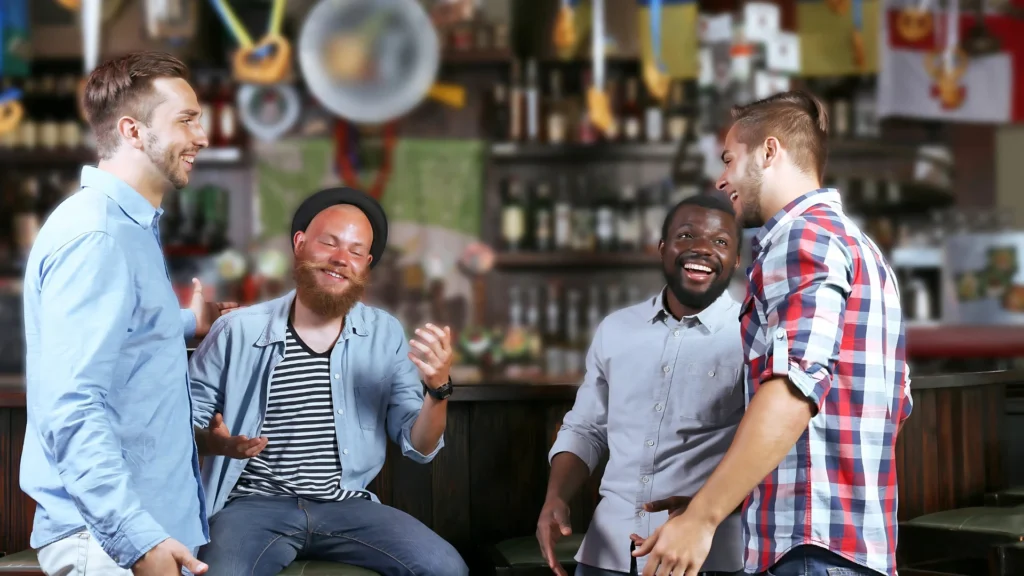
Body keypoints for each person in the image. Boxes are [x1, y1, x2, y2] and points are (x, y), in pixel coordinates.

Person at [633, 91, 910, 576]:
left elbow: (793, 387)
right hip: (855, 547)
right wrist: (726, 496)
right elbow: (888, 410)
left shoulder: (799, 239)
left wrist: (703, 517)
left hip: (806, 553)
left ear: (769, 152)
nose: (721, 180)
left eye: (729, 159)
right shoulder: (865, 252)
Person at [20, 52, 240, 576]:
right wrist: (137, 541)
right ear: (132, 130)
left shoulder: (128, 227)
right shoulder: (98, 236)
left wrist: (189, 322)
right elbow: (72, 406)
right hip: (110, 541)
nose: (202, 136)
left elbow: (123, 335)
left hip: (144, 528)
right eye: (186, 119)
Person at [187, 187, 470, 576]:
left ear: (366, 264)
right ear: (300, 244)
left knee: (446, 569)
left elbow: (418, 446)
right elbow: (184, 424)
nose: (341, 259)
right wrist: (214, 443)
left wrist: (438, 389)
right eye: (329, 243)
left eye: (356, 251)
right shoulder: (236, 330)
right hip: (252, 506)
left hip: (348, 507)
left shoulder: (384, 333)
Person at [537, 195, 747, 576]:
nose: (701, 248)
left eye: (720, 242)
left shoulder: (753, 336)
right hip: (606, 554)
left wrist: (712, 508)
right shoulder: (615, 329)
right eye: (686, 235)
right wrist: (556, 498)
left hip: (708, 559)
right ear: (663, 249)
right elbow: (586, 428)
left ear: (736, 261)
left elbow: (773, 449)